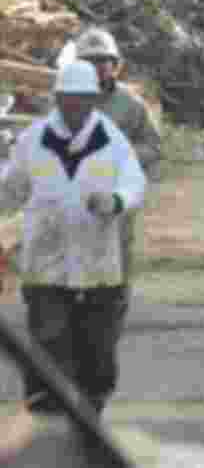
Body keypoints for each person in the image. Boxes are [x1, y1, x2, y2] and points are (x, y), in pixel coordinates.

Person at [0, 59, 145, 419]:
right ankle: (46, 416)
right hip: (45, 264)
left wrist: (115, 202)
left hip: (98, 264)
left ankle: (91, 411)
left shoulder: (111, 140)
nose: (75, 107)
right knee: (49, 342)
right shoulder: (33, 140)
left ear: (94, 100)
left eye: (83, 99)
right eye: (68, 99)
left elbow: (134, 182)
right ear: (58, 99)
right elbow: (10, 189)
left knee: (97, 351)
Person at [71, 28, 162, 331]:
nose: (98, 68)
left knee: (117, 251)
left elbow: (153, 146)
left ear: (116, 65)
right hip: (74, 191)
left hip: (116, 193)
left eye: (104, 61)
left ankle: (114, 309)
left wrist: (121, 155)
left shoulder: (131, 104)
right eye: (90, 61)